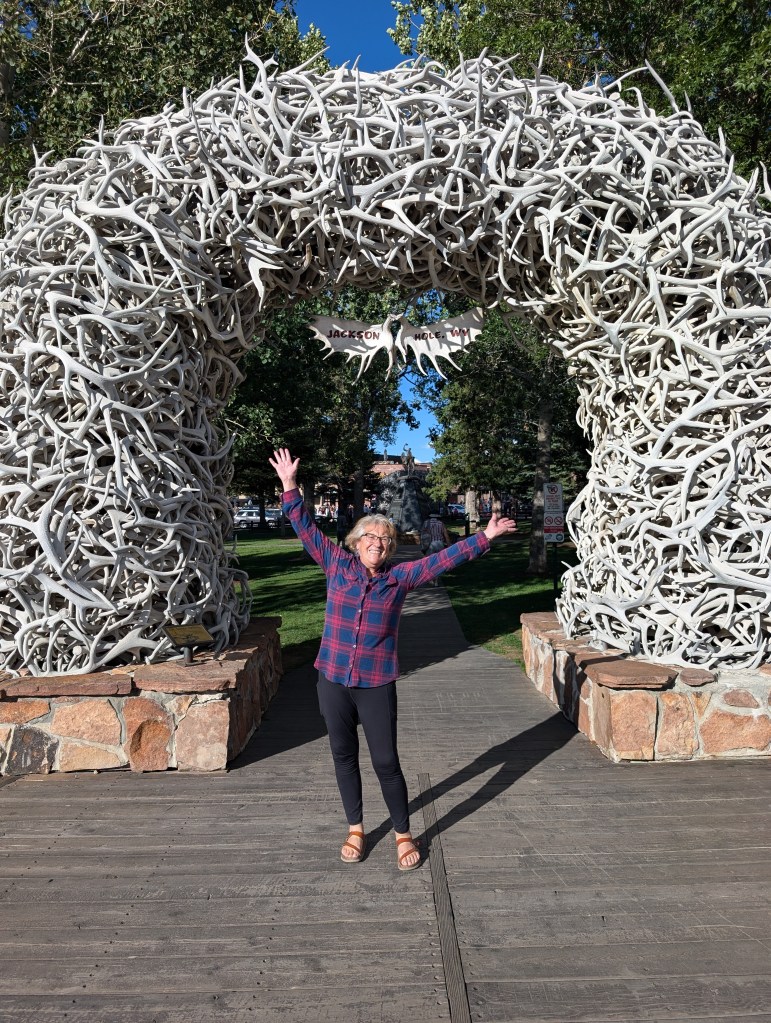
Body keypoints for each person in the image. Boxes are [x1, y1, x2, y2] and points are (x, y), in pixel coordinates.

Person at [269, 447, 518, 871]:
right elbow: (306, 528)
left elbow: (441, 560)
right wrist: (290, 486)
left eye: (385, 539)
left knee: (386, 761)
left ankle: (403, 833)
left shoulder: (399, 579)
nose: (378, 543)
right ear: (356, 542)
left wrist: (485, 537)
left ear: (389, 549)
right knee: (343, 755)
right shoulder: (336, 565)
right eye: (370, 536)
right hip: (332, 679)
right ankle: (356, 828)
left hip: (376, 682)